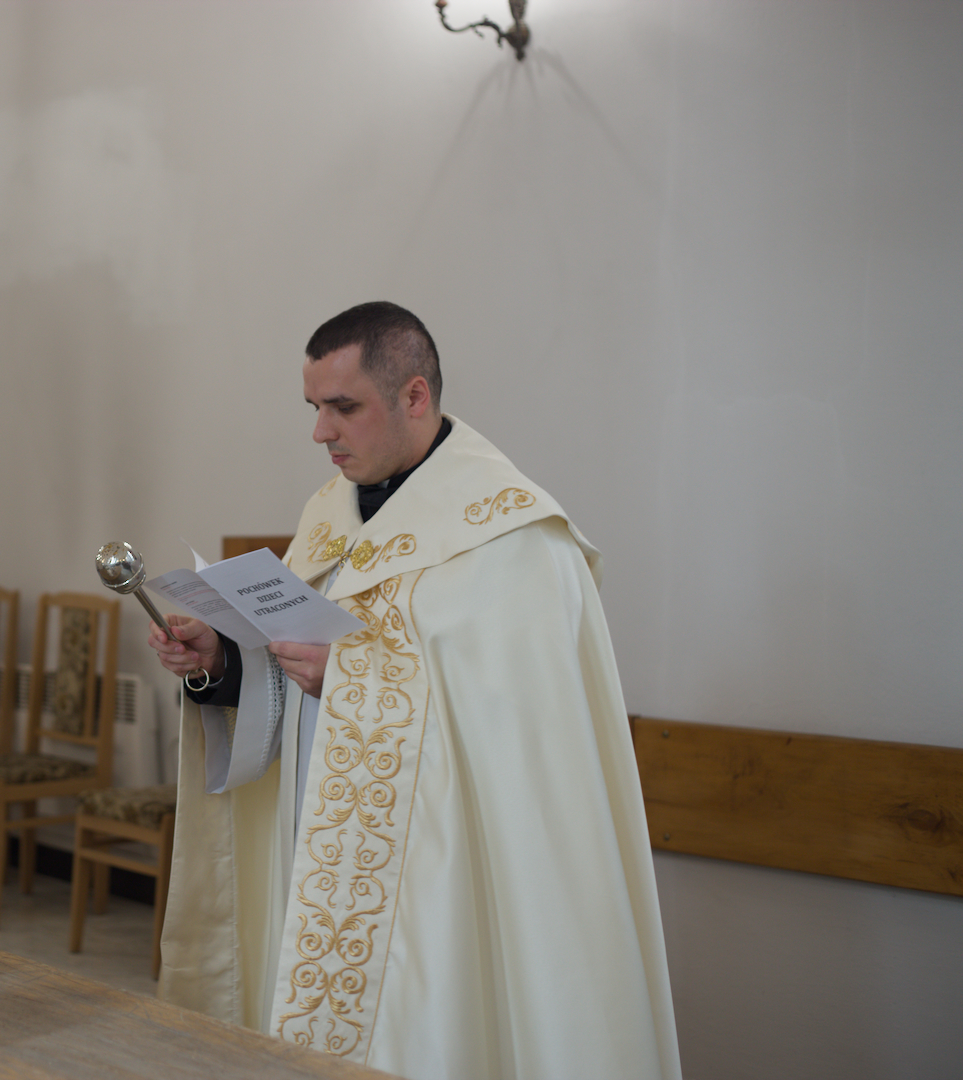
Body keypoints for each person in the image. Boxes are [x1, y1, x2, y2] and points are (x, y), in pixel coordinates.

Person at [146, 302, 680, 1080]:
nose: (320, 432)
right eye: (313, 407)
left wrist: (348, 676)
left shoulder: (515, 537)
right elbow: (298, 669)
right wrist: (226, 662)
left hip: (445, 883)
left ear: (415, 396)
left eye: (343, 407)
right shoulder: (328, 514)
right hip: (324, 857)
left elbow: (521, 727)